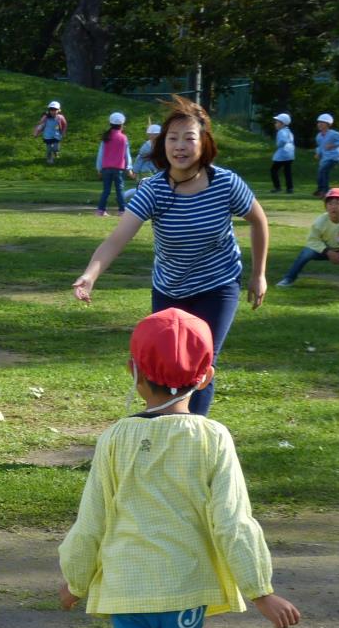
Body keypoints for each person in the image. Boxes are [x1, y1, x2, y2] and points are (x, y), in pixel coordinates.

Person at [58, 308, 301, 628]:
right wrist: (261, 590)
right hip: (187, 598)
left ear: (132, 372)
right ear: (207, 374)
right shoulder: (214, 439)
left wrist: (75, 581)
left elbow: (91, 521)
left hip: (129, 596)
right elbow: (234, 521)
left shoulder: (115, 440)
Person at [72, 96, 270, 416]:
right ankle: (164, 428)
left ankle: (193, 434)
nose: (180, 146)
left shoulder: (225, 183)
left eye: (189, 138)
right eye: (172, 138)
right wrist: (90, 274)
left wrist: (258, 274)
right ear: (162, 144)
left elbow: (258, 221)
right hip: (169, 288)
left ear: (204, 143)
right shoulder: (154, 189)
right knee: (164, 363)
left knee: (201, 362)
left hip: (217, 285)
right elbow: (117, 239)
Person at [94, 111, 135, 216]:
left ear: (110, 124)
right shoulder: (123, 138)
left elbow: (101, 153)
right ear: (122, 125)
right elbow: (127, 155)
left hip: (106, 168)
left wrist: (99, 168)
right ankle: (122, 210)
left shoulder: (106, 137)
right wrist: (129, 168)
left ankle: (100, 210)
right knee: (120, 190)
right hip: (118, 168)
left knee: (106, 190)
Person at [313, 113, 339, 196]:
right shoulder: (318, 136)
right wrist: (318, 153)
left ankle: (325, 190)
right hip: (325, 158)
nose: (319, 124)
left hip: (335, 157)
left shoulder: (333, 134)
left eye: (322, 122)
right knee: (320, 172)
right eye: (319, 122)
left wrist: (333, 145)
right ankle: (320, 190)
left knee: (323, 171)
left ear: (328, 124)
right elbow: (320, 147)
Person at [34, 100, 67, 165]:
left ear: (59, 110)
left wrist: (63, 132)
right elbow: (40, 125)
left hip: (56, 135)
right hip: (47, 136)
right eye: (51, 110)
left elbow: (65, 124)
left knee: (56, 148)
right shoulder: (45, 117)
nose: (53, 111)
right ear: (49, 110)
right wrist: (36, 133)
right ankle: (49, 159)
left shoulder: (60, 117)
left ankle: (56, 152)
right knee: (49, 149)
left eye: (55, 110)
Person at [269, 112, 295, 194]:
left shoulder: (281, 132)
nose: (275, 124)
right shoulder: (289, 131)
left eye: (277, 122)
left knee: (273, 170)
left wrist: (279, 144)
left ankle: (277, 187)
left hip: (282, 154)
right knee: (287, 171)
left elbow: (283, 140)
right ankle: (290, 188)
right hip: (290, 154)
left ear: (282, 124)